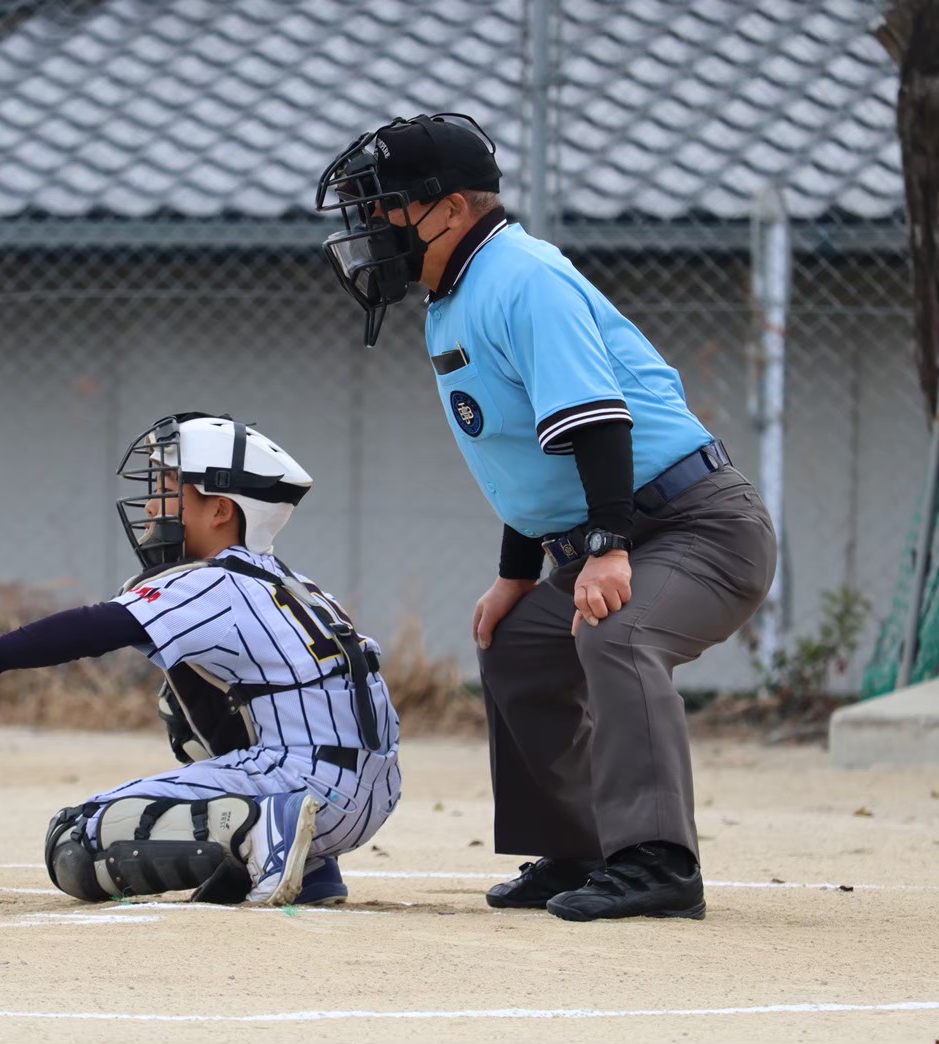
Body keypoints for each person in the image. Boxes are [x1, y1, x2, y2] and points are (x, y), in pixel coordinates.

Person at [317, 113, 776, 921]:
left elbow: (598, 423)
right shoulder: (458, 292)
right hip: (623, 521)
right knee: (521, 645)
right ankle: (578, 851)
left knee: (619, 633)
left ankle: (658, 863)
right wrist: (515, 578)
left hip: (697, 524)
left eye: (384, 205)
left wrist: (604, 551)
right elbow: (532, 462)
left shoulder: (523, 276)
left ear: (452, 209)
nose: (371, 226)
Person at [0, 414, 401, 906]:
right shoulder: (300, 586)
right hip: (372, 792)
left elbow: (95, 626)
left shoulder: (214, 581)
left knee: (76, 839)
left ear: (221, 510)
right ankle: (312, 867)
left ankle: (266, 830)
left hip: (305, 782)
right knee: (182, 693)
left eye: (169, 487)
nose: (155, 502)